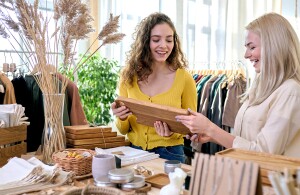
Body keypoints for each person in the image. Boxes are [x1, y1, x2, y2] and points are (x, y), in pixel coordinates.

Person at [175, 12, 300, 158]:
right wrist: (212, 136)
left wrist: (211, 129)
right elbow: (247, 140)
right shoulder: (259, 85)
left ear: (274, 47)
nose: (246, 55)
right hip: (248, 175)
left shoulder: (291, 92)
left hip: (270, 179)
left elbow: (264, 153)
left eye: (251, 47)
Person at [111, 12, 197, 163]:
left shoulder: (184, 78)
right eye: (156, 40)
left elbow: (191, 126)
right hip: (134, 152)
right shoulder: (128, 77)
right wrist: (121, 117)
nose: (164, 45)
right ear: (145, 42)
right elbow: (123, 129)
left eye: (169, 40)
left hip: (171, 154)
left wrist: (171, 134)